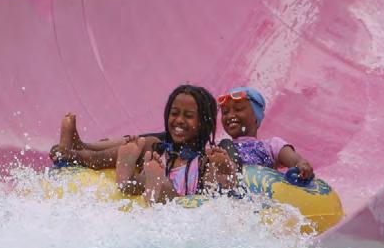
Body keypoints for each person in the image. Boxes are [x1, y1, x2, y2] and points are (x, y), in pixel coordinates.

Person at [49, 85, 235, 204]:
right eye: (174, 113)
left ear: (204, 123)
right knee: (142, 148)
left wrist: (224, 169)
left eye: (188, 116)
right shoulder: (157, 149)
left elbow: (215, 198)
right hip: (147, 193)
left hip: (176, 206)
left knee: (163, 185)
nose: (179, 120)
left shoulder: (204, 162)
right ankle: (77, 154)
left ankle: (153, 183)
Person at [215, 86, 314, 179]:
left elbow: (294, 160)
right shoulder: (219, 149)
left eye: (238, 109)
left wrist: (301, 164)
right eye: (225, 112)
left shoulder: (271, 146)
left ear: (256, 115)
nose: (230, 116)